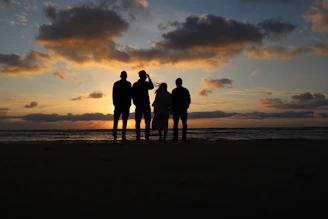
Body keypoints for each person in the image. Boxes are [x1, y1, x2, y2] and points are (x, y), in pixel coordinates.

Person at [132, 70, 154, 140]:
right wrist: (149, 79)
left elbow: (132, 95)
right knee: (146, 121)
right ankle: (146, 135)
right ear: (143, 76)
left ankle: (139, 135)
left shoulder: (136, 84)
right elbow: (152, 86)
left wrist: (135, 102)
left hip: (140, 105)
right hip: (144, 105)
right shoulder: (144, 84)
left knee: (139, 121)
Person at [112, 71, 132, 142]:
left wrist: (130, 103)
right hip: (120, 105)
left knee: (121, 121)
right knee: (119, 121)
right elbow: (114, 94)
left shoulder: (126, 84)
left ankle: (118, 136)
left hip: (123, 105)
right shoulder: (119, 84)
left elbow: (130, 94)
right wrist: (115, 103)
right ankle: (117, 136)